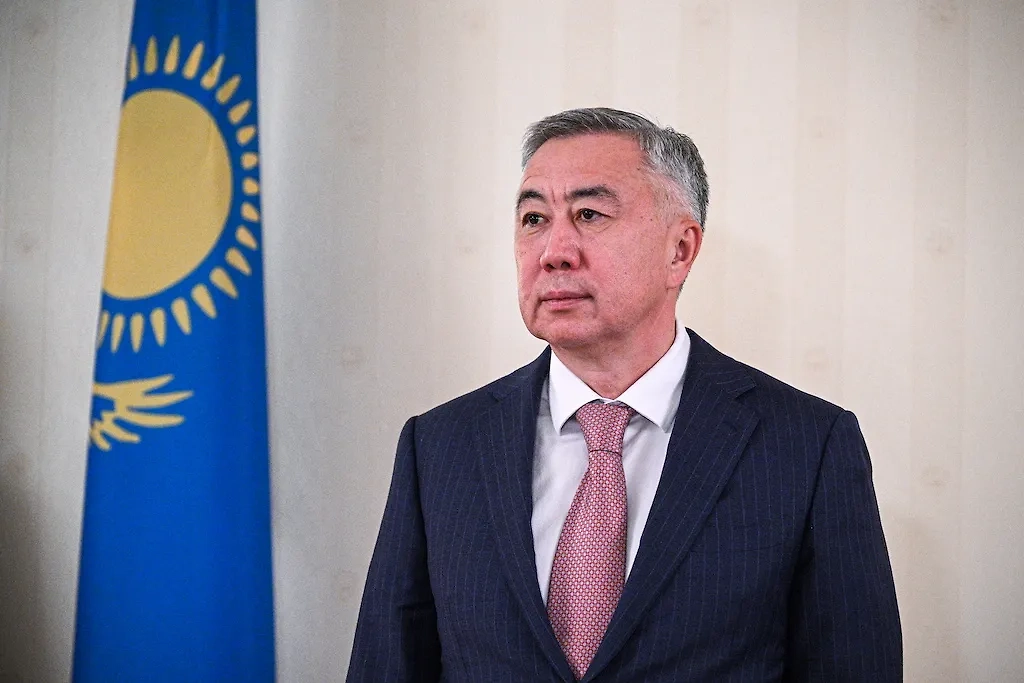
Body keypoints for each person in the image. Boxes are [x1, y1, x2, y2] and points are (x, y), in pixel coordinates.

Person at [347, 108, 901, 682]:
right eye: (534, 219)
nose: (554, 252)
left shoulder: (808, 445)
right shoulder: (440, 446)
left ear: (679, 250)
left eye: (589, 214)